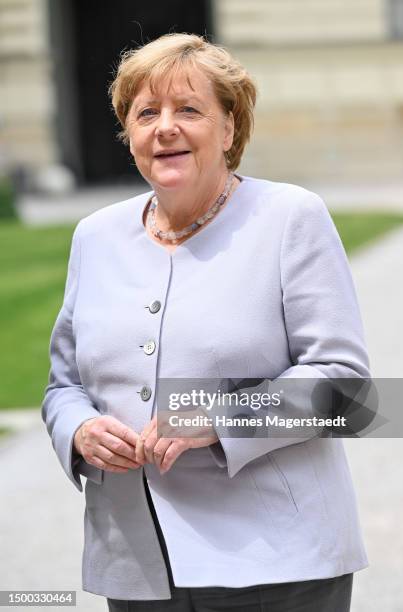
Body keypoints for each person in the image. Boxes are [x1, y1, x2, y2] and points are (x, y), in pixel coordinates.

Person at [42, 33, 370, 612]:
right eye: (146, 113)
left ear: (229, 128)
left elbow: (348, 389)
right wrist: (79, 432)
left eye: (188, 109)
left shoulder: (290, 217)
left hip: (279, 564)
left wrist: (212, 416)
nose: (164, 127)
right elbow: (64, 386)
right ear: (130, 134)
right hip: (138, 563)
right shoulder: (94, 237)